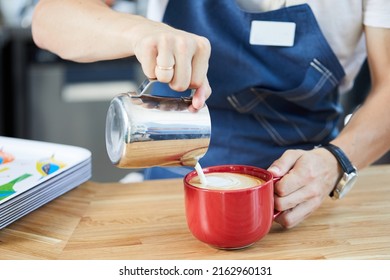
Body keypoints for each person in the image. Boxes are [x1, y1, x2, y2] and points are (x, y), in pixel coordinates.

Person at [31, 0, 390, 229]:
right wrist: (139, 31)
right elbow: (49, 19)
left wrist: (336, 161)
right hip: (164, 191)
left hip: (302, 198)